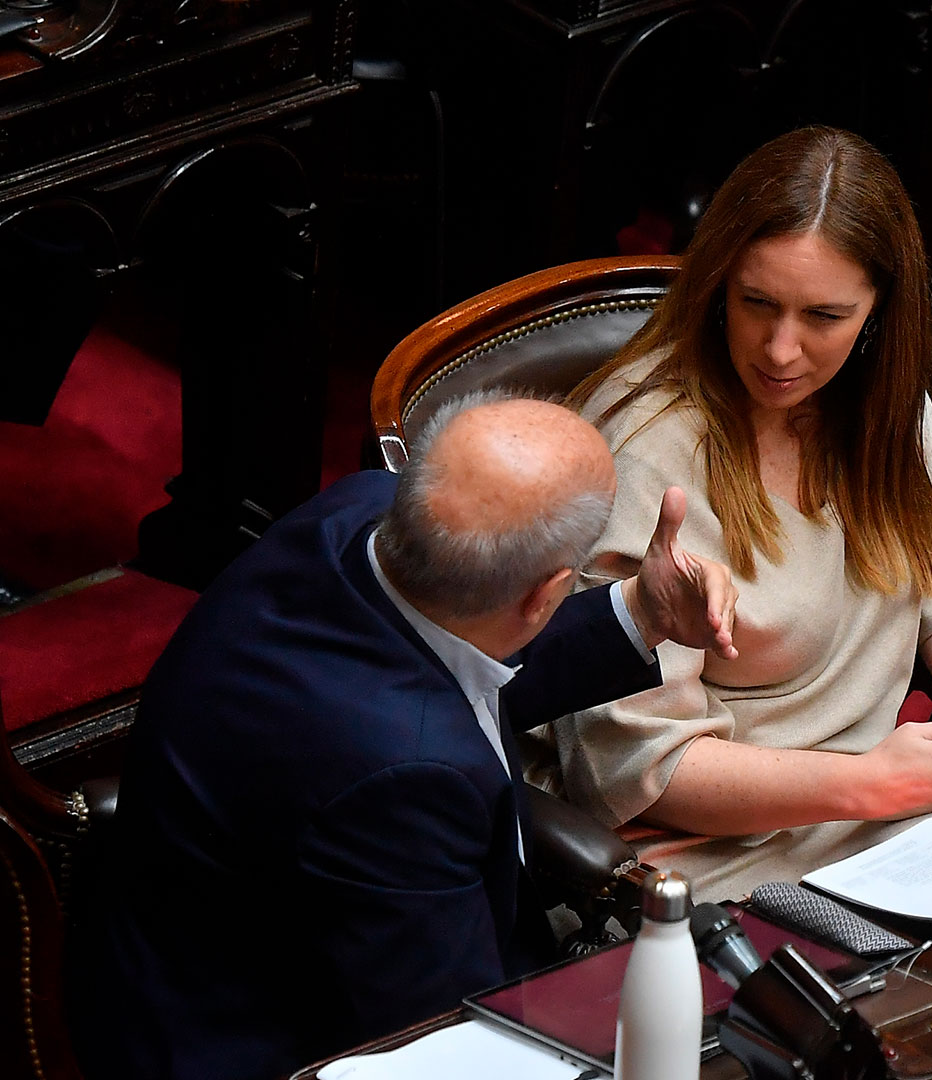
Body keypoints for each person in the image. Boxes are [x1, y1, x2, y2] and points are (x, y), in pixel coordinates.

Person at [71, 393, 738, 1080]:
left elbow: (463, 651)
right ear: (546, 595)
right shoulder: (402, 776)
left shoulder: (361, 512)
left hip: (226, 932)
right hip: (255, 1041)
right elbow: (445, 1040)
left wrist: (641, 609)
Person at [539, 126, 932, 900]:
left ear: (879, 313)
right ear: (717, 281)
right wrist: (865, 785)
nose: (781, 351)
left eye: (824, 317)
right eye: (756, 303)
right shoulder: (649, 452)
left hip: (890, 823)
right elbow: (633, 767)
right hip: (710, 868)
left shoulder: (885, 408)